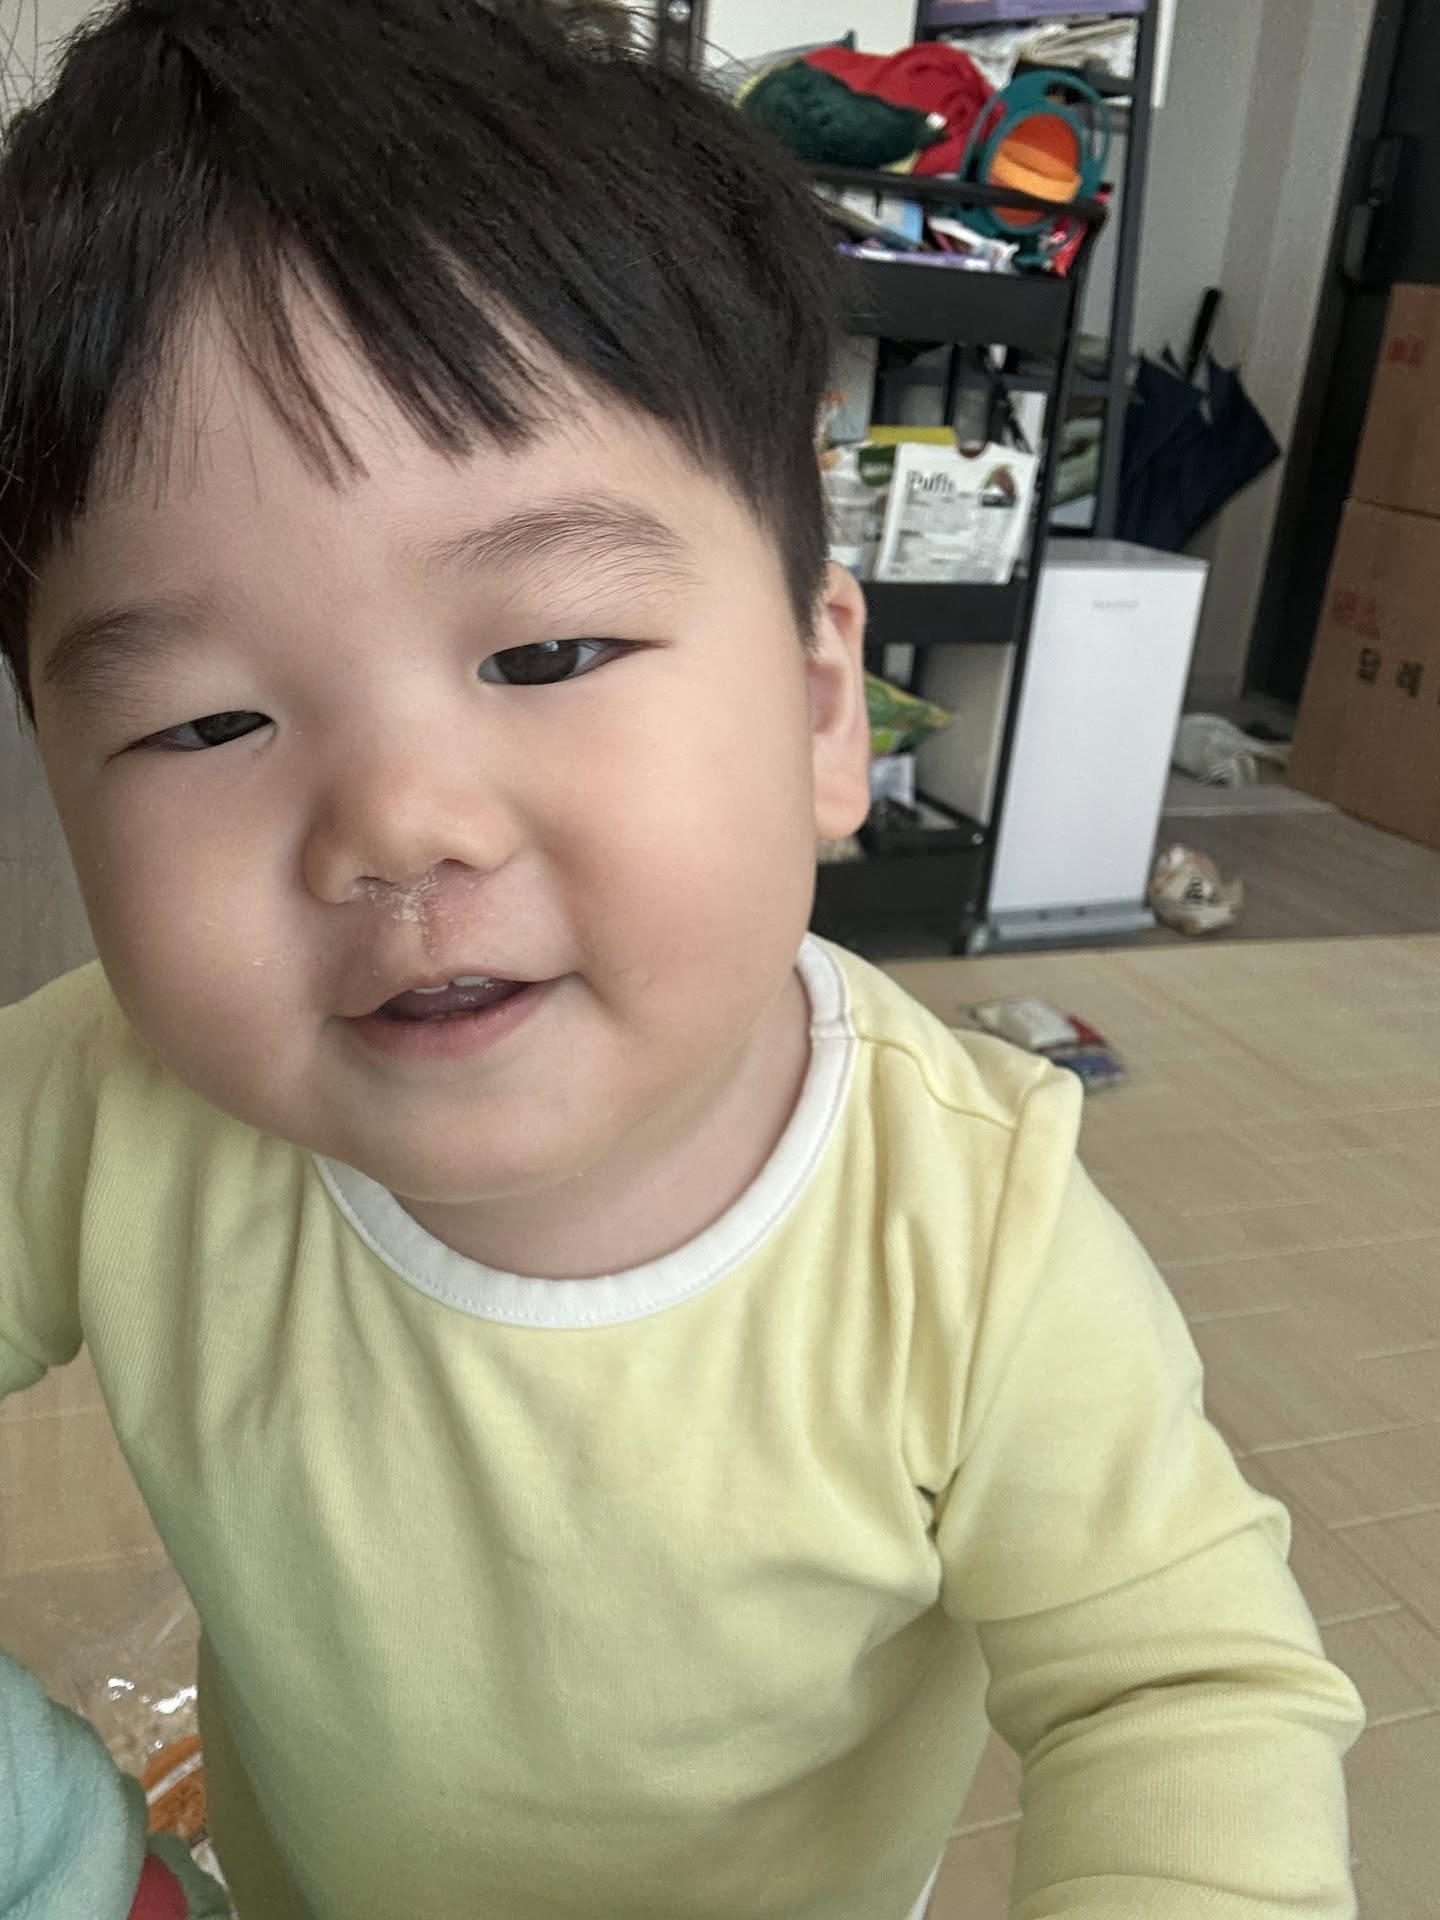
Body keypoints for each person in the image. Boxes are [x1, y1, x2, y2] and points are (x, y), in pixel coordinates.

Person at [0, 3, 1363, 1917]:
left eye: (546, 653)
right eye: (206, 723)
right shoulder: (99, 1109)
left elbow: (1183, 1693)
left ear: (820, 704)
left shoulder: (969, 1235)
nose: (400, 826)